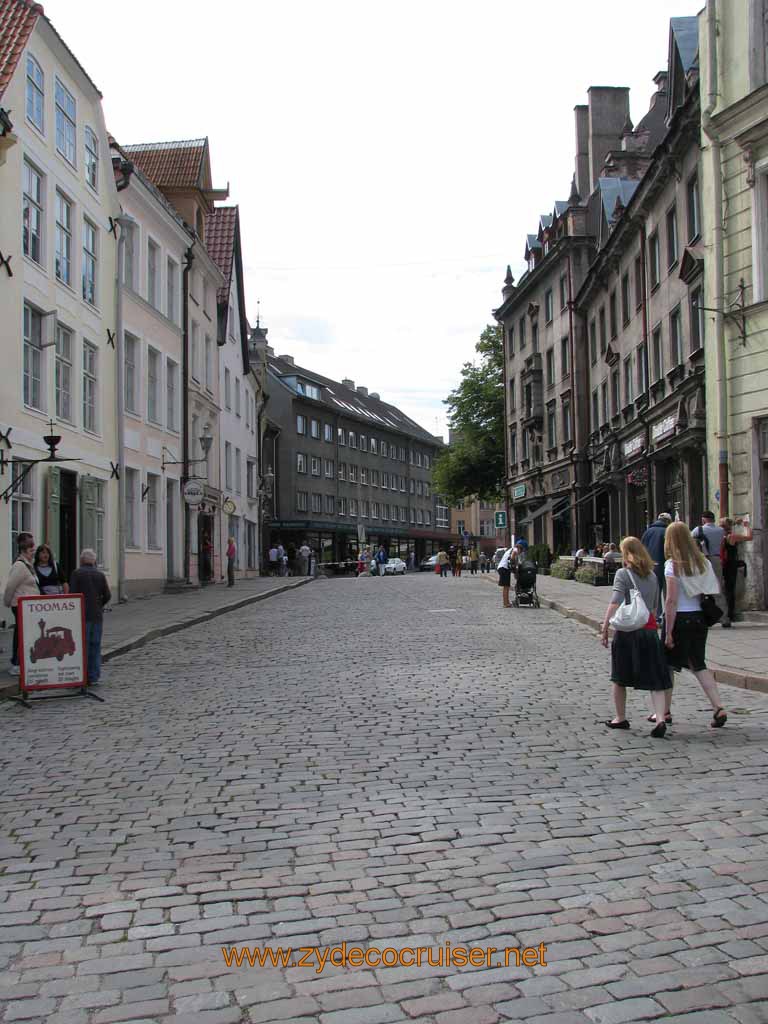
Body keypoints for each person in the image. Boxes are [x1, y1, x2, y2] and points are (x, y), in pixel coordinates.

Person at [600, 537, 672, 738]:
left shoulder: (623, 574)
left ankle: (620, 718)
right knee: (655, 678)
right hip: (648, 630)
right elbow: (655, 607)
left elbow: (615, 602)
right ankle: (659, 718)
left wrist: (605, 627)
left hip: (627, 632)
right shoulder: (652, 576)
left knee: (619, 677)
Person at [662, 521, 728, 729]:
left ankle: (664, 711)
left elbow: (671, 600)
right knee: (698, 664)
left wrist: (669, 632)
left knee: (668, 666)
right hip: (699, 618)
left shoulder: (672, 564)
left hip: (679, 618)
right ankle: (718, 707)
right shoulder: (703, 562)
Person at [69, 548, 111, 686]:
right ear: (94, 561)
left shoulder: (76, 574)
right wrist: (99, 604)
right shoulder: (100, 575)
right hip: (97, 615)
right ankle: (93, 675)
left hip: (81, 615)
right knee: (95, 645)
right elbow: (107, 595)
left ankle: (82, 674)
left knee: (82, 645)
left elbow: (72, 594)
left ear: (81, 560)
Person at [3, 534, 39, 675]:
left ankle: (21, 661)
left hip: (29, 607)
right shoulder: (19, 565)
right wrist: (7, 602)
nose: (33, 554)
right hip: (20, 605)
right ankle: (16, 663)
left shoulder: (28, 565)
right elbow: (11, 586)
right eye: (31, 551)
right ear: (24, 551)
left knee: (24, 634)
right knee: (20, 634)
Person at [720, 517, 753, 628]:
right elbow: (749, 537)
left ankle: (723, 613)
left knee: (723, 589)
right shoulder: (732, 536)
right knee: (730, 589)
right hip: (731, 564)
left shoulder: (721, 535)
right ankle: (730, 614)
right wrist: (747, 526)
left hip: (722, 564)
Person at [641, 511, 672, 615]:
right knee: (668, 592)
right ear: (668, 521)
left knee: (655, 592)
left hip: (651, 566)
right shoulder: (668, 531)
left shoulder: (648, 532)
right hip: (666, 565)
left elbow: (642, 549)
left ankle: (656, 616)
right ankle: (668, 615)